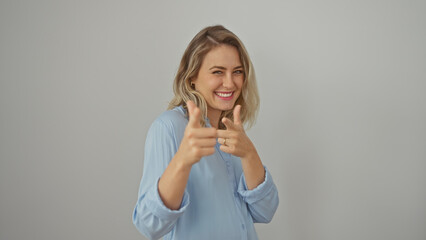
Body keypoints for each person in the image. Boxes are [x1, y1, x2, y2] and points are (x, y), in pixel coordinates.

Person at [132, 25, 279, 240]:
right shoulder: (168, 128)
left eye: (237, 71)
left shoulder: (231, 131)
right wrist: (182, 161)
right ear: (192, 77)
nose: (230, 83)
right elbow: (149, 225)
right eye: (218, 72)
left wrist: (250, 154)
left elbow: (265, 212)